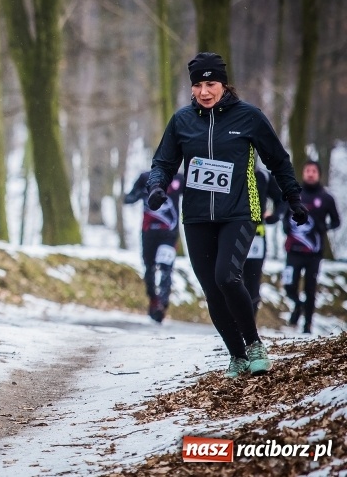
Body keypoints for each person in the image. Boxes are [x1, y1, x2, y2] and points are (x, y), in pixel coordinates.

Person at [147, 52, 307, 379]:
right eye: (198, 85)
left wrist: (293, 198)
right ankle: (237, 356)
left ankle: (255, 345)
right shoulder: (182, 121)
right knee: (212, 290)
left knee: (227, 277)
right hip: (196, 217)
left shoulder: (248, 117)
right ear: (191, 87)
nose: (204, 92)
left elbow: (278, 160)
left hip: (239, 212)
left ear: (224, 84)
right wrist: (156, 187)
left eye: (211, 83)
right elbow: (163, 163)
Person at [281, 160, 341, 334]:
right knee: (288, 285)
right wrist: (285, 225)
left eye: (314, 171)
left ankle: (307, 325)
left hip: (314, 252)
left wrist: (325, 228)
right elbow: (284, 213)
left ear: (319, 174)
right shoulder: (294, 194)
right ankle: (297, 306)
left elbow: (336, 221)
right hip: (293, 250)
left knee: (310, 289)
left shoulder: (326, 198)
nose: (310, 173)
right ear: (303, 172)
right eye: (307, 170)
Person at [124, 170, 184, 322]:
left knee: (166, 268)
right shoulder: (145, 177)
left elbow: (195, 197)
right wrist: (138, 195)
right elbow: (128, 198)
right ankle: (153, 300)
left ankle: (162, 305)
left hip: (169, 233)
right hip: (148, 232)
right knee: (149, 269)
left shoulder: (178, 178)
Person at [243, 167, 283, 314]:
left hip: (256, 237)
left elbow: (281, 199)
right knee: (229, 279)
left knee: (252, 281)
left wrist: (275, 216)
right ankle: (232, 323)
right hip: (230, 234)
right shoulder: (229, 169)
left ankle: (249, 323)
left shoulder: (263, 176)